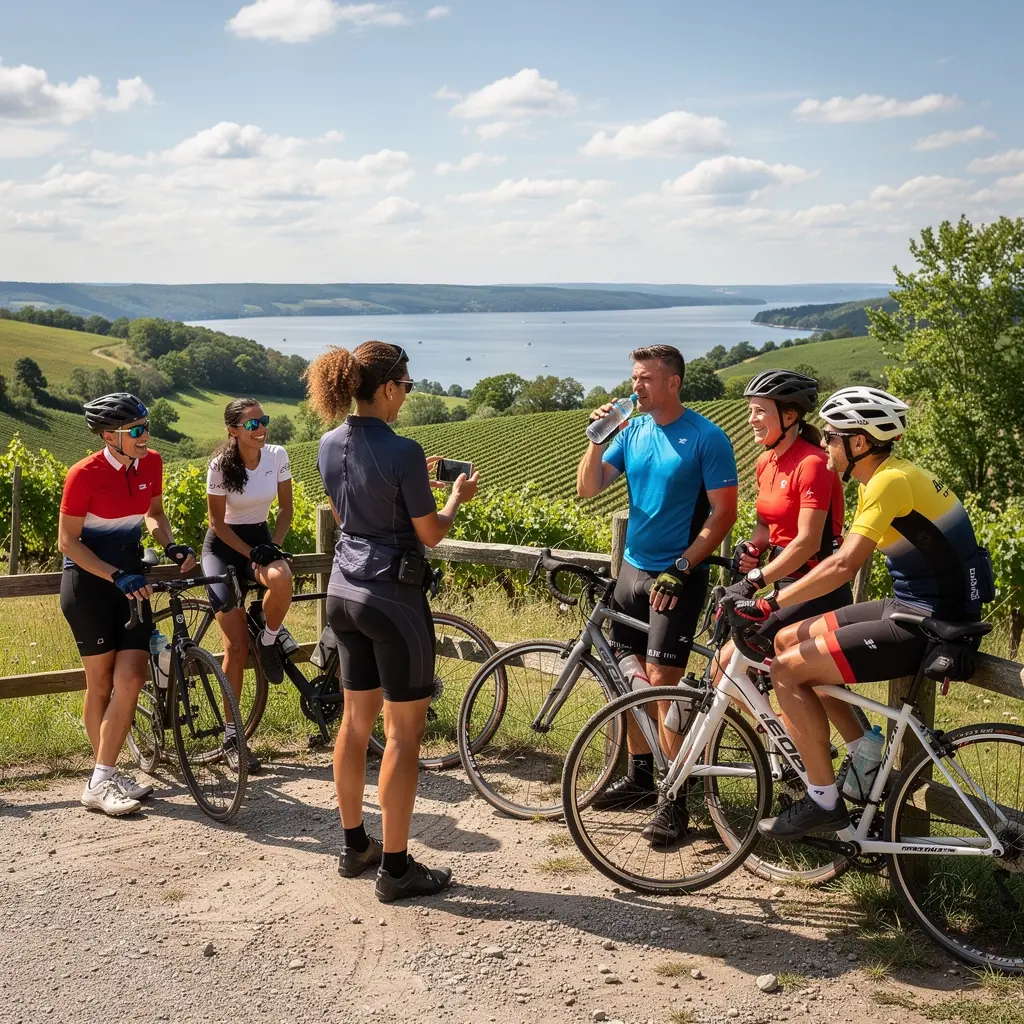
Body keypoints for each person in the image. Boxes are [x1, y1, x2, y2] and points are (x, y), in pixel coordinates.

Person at [729, 386, 994, 839]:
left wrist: (770, 599)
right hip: (913, 604)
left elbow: (843, 565)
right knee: (785, 640)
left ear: (860, 443)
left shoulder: (889, 482)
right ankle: (865, 751)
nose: (826, 443)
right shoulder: (892, 475)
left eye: (833, 437)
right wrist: (771, 598)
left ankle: (822, 799)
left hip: (930, 622)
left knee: (788, 671)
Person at [308, 341, 479, 901]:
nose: (406, 395)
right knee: (403, 736)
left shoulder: (328, 443)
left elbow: (345, 512)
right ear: (387, 388)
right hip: (393, 599)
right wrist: (454, 498)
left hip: (342, 593)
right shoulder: (405, 449)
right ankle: (398, 868)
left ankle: (357, 844)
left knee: (355, 724)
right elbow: (429, 533)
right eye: (405, 386)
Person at [577, 344, 738, 844]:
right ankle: (640, 779)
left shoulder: (706, 438)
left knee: (663, 687)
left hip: (677, 578)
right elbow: (588, 487)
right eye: (634, 377)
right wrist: (595, 438)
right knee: (629, 680)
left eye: (646, 378)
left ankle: (676, 800)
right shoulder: (634, 429)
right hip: (631, 573)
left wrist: (683, 566)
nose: (636, 386)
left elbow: (723, 515)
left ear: (674, 382)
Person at [58, 393, 197, 817]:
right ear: (108, 435)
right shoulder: (83, 474)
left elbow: (154, 512)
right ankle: (104, 777)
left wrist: (169, 545)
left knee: (133, 675)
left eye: (146, 427)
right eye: (135, 431)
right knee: (100, 684)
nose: (145, 436)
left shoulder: (151, 462)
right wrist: (115, 575)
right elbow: (68, 543)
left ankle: (102, 777)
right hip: (90, 586)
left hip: (132, 582)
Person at [717, 370, 864, 750]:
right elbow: (766, 526)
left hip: (816, 587)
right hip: (785, 585)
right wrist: (753, 550)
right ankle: (798, 745)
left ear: (789, 416)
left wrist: (754, 580)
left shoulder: (812, 464)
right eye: (750, 411)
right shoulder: (767, 462)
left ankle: (808, 749)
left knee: (729, 665)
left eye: (759, 411)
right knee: (817, 688)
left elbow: (806, 542)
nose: (752, 419)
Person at [203, 398, 294, 773]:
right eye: (252, 424)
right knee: (236, 649)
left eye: (263, 422)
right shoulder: (220, 466)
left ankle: (269, 637)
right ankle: (231, 737)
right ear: (233, 430)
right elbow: (217, 523)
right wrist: (251, 554)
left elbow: (286, 510)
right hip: (223, 548)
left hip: (258, 541)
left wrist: (272, 545)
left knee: (283, 578)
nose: (261, 429)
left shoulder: (276, 455)